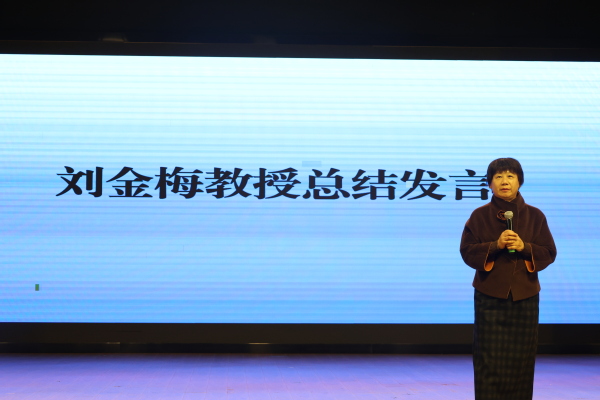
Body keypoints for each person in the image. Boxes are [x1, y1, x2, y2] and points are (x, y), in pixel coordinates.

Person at [460, 158, 557, 400]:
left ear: (519, 182)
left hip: (526, 294)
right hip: (489, 295)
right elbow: (467, 252)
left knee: (522, 358)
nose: (505, 181)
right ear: (489, 184)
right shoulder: (479, 215)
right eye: (498, 177)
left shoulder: (535, 215)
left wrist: (525, 247)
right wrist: (495, 245)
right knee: (488, 357)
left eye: (510, 176)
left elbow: (549, 252)